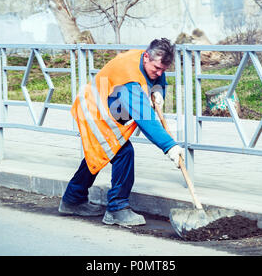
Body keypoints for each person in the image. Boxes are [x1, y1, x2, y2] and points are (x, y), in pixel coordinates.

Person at [59, 38, 184, 227]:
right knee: (123, 153)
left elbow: (158, 79)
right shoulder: (129, 77)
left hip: (111, 110)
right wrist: (170, 146)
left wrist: (159, 91)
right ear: (146, 57)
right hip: (94, 112)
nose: (159, 73)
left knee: (101, 153)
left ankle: (72, 200)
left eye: (163, 70)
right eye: (156, 68)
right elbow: (145, 119)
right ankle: (117, 209)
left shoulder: (149, 62)